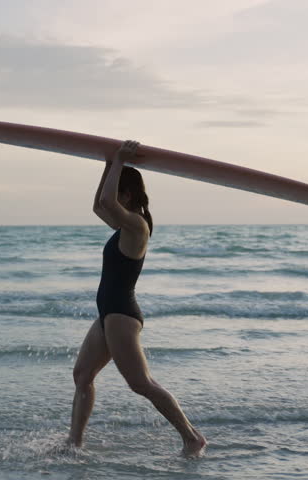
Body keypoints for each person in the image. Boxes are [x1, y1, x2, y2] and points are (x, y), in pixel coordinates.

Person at [68, 140, 207, 456]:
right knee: (82, 375)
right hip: (109, 314)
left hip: (121, 315)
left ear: (127, 196)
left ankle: (191, 437)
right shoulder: (122, 225)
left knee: (141, 383)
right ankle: (73, 445)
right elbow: (98, 205)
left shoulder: (137, 226)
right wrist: (107, 164)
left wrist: (117, 160)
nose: (111, 198)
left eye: (117, 192)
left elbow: (107, 200)